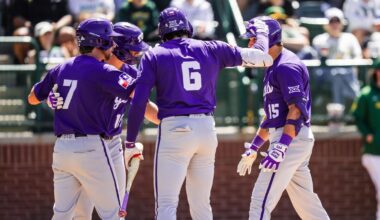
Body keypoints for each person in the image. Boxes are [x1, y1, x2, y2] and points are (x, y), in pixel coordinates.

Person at [125, 7, 273, 220]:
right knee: (202, 205)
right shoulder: (211, 47)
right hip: (205, 129)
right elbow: (263, 58)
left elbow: (139, 100)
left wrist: (130, 141)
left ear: (162, 31)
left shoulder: (154, 54)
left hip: (174, 130)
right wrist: (262, 33)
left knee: (166, 205)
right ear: (187, 27)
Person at [27, 18, 138, 220]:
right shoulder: (104, 70)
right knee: (114, 214)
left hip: (62, 150)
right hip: (92, 148)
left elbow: (33, 97)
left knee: (62, 215)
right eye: (109, 41)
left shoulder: (60, 68)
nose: (113, 45)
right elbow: (137, 92)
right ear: (100, 42)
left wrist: (51, 95)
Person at [236, 16, 330, 220]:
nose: (251, 44)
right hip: (291, 138)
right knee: (308, 206)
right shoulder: (272, 65)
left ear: (269, 37)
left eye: (253, 38)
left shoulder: (286, 65)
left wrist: (282, 146)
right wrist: (254, 146)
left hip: (291, 138)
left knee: (260, 201)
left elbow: (296, 109)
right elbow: (271, 116)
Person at [312, 7, 362, 108]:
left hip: (348, 74)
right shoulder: (319, 39)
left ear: (342, 23)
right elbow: (316, 63)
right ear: (326, 24)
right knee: (337, 75)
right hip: (325, 74)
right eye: (332, 21)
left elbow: (358, 57)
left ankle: (340, 111)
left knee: (339, 74)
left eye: (337, 21)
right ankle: (356, 102)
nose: (335, 24)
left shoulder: (350, 38)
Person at [352, 59, 380, 220]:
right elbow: (357, 117)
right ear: (377, 72)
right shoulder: (367, 94)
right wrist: (368, 135)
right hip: (374, 152)